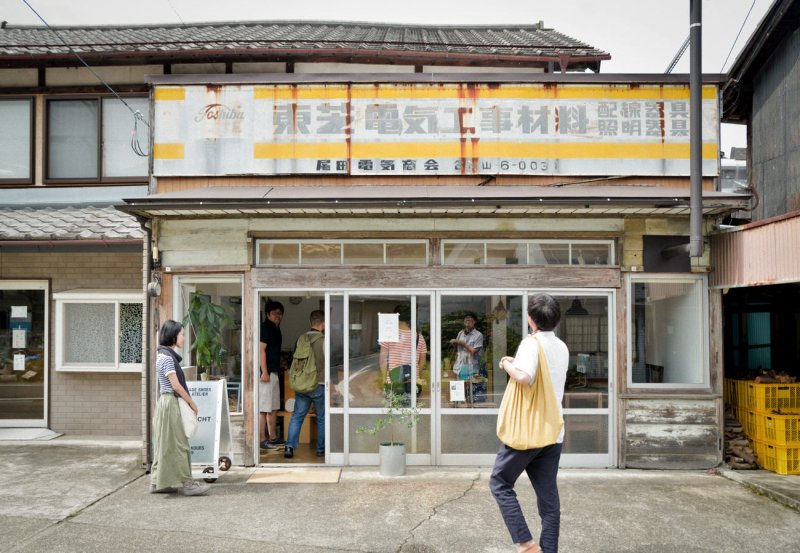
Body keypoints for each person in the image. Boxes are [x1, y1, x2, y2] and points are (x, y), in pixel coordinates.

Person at [490, 294, 568, 553]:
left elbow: (524, 376)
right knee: (548, 500)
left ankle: (526, 544)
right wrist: (516, 366)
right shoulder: (561, 347)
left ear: (531, 319)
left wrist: (504, 363)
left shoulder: (530, 343)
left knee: (500, 482)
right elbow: (540, 377)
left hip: (528, 431)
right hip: (552, 432)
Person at [150, 319, 209, 496]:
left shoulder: (162, 355)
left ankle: (157, 482)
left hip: (165, 402)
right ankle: (188, 484)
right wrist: (192, 403)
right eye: (182, 334)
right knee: (180, 443)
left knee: (164, 444)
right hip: (170, 403)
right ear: (173, 336)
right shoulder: (167, 358)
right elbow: (175, 385)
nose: (184, 337)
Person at [284, 310, 326, 459]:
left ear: (310, 322)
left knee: (297, 416)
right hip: (318, 384)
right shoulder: (323, 340)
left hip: (302, 384)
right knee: (321, 417)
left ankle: (289, 447)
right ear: (324, 324)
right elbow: (328, 363)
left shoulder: (301, 338)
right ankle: (321, 449)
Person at [378, 305, 428, 404]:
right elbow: (422, 361)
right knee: (411, 414)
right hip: (413, 382)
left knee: (393, 415)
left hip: (393, 382)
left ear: (396, 316)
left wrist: (384, 379)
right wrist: (416, 373)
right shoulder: (419, 336)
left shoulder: (389, 334)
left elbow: (383, 360)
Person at [259, 300, 285, 450]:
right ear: (268, 314)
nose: (278, 316)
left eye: (280, 313)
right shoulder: (265, 328)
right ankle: (262, 440)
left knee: (273, 407)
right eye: (275, 313)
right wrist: (264, 371)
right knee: (264, 408)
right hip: (266, 373)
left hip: (273, 372)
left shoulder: (276, 329)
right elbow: (261, 350)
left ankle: (273, 437)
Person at [450, 311, 484, 380]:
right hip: (458, 367)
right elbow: (456, 348)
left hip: (469, 368)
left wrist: (463, 343)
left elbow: (473, 351)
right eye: (466, 318)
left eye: (470, 318)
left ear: (474, 322)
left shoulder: (478, 335)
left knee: (468, 389)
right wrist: (452, 359)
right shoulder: (460, 333)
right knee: (457, 388)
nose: (467, 320)